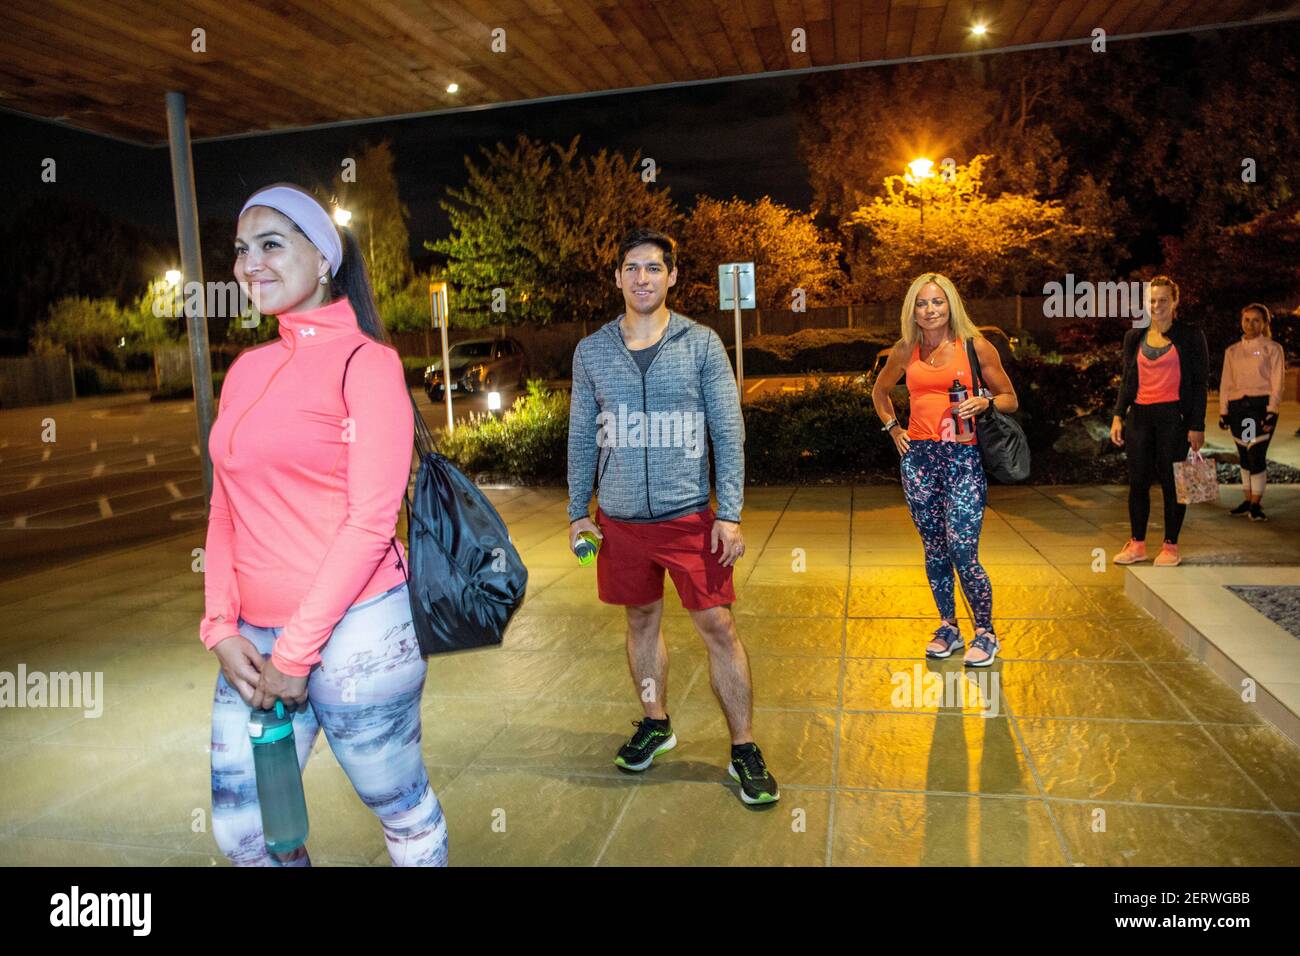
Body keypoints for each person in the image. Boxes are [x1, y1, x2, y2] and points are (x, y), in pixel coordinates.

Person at [200, 183, 448, 866]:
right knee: (244, 833)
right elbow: (225, 505)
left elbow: (372, 521)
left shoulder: (367, 364)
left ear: (323, 259)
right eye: (242, 250)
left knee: (399, 810)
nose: (250, 263)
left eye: (271, 244)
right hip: (252, 639)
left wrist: (295, 653)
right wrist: (219, 625)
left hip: (360, 630)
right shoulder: (247, 370)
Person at [566, 228, 778, 805]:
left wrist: (728, 512)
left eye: (654, 268)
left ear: (672, 277)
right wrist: (576, 512)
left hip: (690, 518)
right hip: (620, 522)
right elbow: (582, 436)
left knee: (719, 627)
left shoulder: (702, 344)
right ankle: (655, 721)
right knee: (640, 622)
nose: (642, 278)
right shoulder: (592, 351)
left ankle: (743, 749)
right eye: (632, 268)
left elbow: (728, 432)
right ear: (616, 277)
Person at [871, 273, 1019, 667]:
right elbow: (880, 392)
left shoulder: (976, 347)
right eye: (922, 303)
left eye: (937, 302)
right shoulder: (905, 350)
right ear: (912, 311)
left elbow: (1010, 398)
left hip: (963, 459)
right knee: (935, 547)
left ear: (950, 305)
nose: (930, 310)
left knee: (963, 549)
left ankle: (985, 632)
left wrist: (984, 403)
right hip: (919, 461)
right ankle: (949, 627)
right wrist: (894, 429)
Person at [1110, 275, 1209, 567]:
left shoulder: (1191, 336)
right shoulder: (1134, 336)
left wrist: (1197, 425)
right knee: (1137, 482)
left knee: (1171, 483)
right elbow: (1127, 379)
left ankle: (1170, 546)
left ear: (1175, 301)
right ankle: (1137, 544)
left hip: (1173, 419)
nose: (1157, 305)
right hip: (1139, 416)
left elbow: (1201, 383)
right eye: (1152, 300)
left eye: (1163, 300)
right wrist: (1118, 414)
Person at [1219, 303, 1285, 521]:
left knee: (1256, 454)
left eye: (1256, 320)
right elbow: (1226, 383)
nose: (1250, 324)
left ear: (1264, 323)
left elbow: (1277, 383)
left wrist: (1272, 411)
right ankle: (1248, 500)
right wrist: (1223, 411)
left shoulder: (1272, 349)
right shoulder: (1232, 351)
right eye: (1246, 319)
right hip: (1239, 410)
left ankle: (1256, 505)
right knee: (1245, 456)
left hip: (1259, 409)